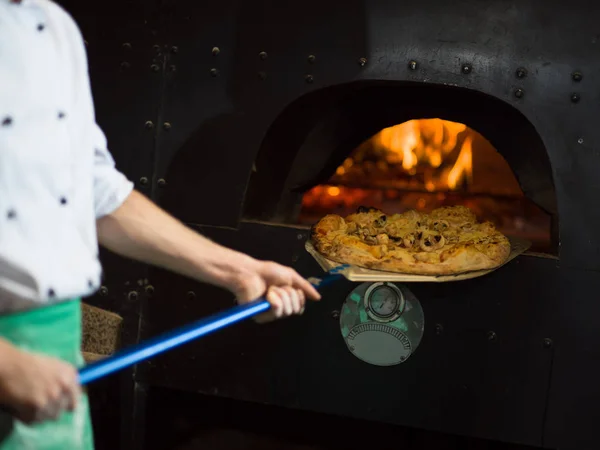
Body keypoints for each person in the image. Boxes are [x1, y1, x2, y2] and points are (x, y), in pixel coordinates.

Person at [0, 0, 321, 448]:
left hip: (54, 345)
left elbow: (95, 192)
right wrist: (7, 366)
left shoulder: (52, 25)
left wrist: (239, 270)